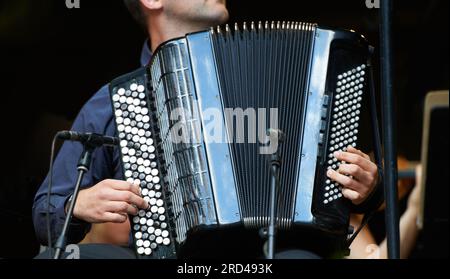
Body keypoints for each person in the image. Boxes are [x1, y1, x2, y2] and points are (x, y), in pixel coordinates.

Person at [33, 0, 382, 259]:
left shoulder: (268, 72)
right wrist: (77, 203)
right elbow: (46, 210)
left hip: (268, 255)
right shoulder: (113, 102)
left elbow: (340, 183)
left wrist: (366, 187)